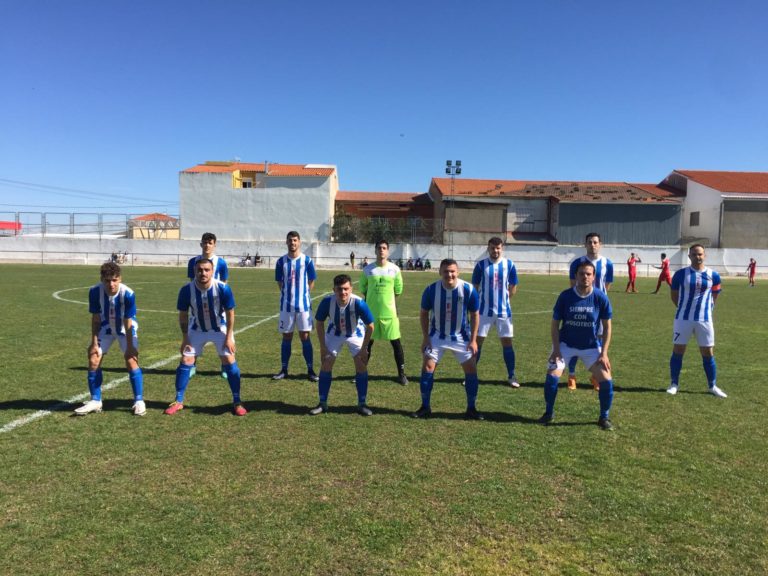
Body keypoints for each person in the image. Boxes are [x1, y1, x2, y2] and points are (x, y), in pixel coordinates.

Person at [165, 258, 247, 416]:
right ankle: (178, 401)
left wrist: (229, 337)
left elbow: (230, 314)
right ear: (195, 271)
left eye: (206, 270)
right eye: (200, 270)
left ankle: (237, 401)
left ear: (212, 271)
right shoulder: (186, 290)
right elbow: (183, 315)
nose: (203, 273)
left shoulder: (223, 288)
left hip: (219, 329)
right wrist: (185, 338)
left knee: (229, 360)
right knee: (186, 360)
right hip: (197, 329)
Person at [540, 260, 615, 430]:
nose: (585, 277)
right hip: (565, 345)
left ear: (594, 277)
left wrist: (604, 353)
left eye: (588, 274)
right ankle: (548, 413)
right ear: (576, 276)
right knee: (552, 377)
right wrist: (557, 349)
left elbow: (608, 327)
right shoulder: (565, 296)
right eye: (581, 274)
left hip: (590, 347)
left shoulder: (600, 297)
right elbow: (554, 324)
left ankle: (604, 417)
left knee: (607, 381)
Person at [412, 258, 483, 420]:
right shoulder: (431, 290)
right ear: (440, 272)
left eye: (452, 271)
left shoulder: (468, 289)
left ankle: (471, 408)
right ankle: (425, 407)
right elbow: (423, 314)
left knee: (471, 370)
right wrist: (425, 338)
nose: (449, 274)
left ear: (458, 272)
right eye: (445, 271)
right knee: (428, 368)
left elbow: (475, 314)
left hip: (461, 337)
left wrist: (473, 340)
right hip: (436, 336)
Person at [74, 262, 145, 416]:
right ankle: (95, 401)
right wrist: (93, 343)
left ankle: (139, 401)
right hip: (105, 329)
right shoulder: (94, 292)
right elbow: (96, 318)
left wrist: (130, 345)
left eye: (114, 280)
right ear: (102, 279)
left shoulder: (128, 294)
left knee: (131, 360)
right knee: (94, 358)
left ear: (120, 278)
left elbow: (128, 320)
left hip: (124, 329)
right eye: (107, 280)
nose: (111, 284)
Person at [309, 274, 375, 416]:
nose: (343, 292)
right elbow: (319, 323)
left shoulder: (359, 303)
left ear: (351, 289)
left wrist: (364, 349)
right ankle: (323, 403)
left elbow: (370, 326)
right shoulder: (327, 302)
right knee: (326, 362)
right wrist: (322, 347)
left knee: (360, 363)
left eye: (346, 289)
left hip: (355, 332)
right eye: (339, 289)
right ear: (334, 290)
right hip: (335, 331)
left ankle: (362, 404)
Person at [666, 245, 727, 398]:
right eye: (694, 254)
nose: (697, 257)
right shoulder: (680, 274)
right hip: (683, 319)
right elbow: (674, 296)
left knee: (708, 352)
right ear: (689, 256)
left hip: (705, 320)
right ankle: (674, 384)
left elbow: (715, 295)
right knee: (678, 350)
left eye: (699, 254)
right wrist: (684, 309)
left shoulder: (714, 275)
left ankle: (712, 385)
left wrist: (706, 309)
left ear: (704, 255)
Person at [566, 232, 613, 391]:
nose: (592, 245)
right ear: (585, 245)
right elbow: (572, 286)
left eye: (595, 242)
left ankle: (595, 376)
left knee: (598, 342)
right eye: (589, 242)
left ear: (600, 244)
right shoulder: (577, 263)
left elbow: (607, 286)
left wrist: (598, 300)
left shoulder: (608, 263)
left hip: (598, 309)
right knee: (575, 340)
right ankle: (571, 375)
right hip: (580, 307)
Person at [471, 237, 520, 387]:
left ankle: (512, 375)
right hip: (484, 312)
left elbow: (513, 287)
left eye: (498, 248)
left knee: (507, 343)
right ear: (488, 248)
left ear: (502, 248)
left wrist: (504, 300)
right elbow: (475, 287)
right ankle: (471, 374)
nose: (495, 251)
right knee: (477, 343)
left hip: (504, 312)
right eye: (492, 248)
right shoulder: (481, 265)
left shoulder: (509, 265)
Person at [360, 239, 408, 385]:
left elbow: (398, 290)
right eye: (379, 248)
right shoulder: (368, 270)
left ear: (388, 251)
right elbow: (363, 289)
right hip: (371, 314)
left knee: (396, 344)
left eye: (384, 248)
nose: (381, 250)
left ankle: (401, 374)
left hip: (389, 314)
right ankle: (361, 373)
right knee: (367, 344)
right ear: (375, 250)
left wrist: (387, 302)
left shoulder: (395, 269)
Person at [273, 231, 319, 381]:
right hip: (286, 307)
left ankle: (311, 370)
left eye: (295, 240)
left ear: (299, 242)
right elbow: (280, 283)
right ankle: (284, 369)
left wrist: (302, 296)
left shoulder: (307, 261)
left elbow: (311, 281)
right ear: (286, 243)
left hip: (303, 307)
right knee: (286, 337)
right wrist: (289, 296)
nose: (292, 243)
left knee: (305, 336)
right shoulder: (281, 262)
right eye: (290, 240)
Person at [187, 232, 229, 379]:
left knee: (222, 336)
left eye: (210, 243)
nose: (207, 245)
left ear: (214, 245)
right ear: (201, 244)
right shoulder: (193, 262)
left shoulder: (221, 263)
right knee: (194, 335)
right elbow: (192, 283)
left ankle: (224, 366)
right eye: (205, 242)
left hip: (217, 306)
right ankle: (192, 365)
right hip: (198, 304)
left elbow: (225, 283)